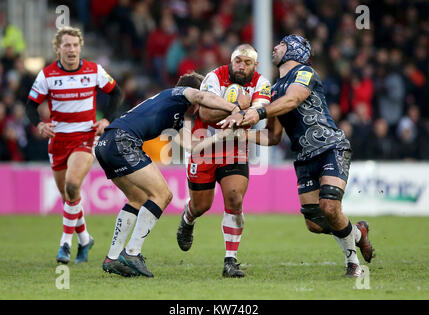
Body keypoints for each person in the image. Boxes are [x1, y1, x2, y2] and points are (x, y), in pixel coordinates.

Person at [222, 35, 375, 277]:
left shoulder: (305, 72)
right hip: (304, 157)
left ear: (294, 49)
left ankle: (353, 264)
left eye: (281, 44)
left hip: (330, 147)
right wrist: (242, 135)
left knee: (329, 206)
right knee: (314, 223)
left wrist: (257, 111)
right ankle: (358, 234)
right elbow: (273, 137)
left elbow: (294, 99)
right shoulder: (272, 90)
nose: (274, 47)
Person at [95, 72, 250, 277]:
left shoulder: (175, 116)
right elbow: (203, 97)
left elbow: (192, 147)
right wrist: (236, 109)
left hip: (106, 143)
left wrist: (221, 136)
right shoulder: (179, 93)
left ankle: (113, 258)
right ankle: (132, 252)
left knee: (138, 198)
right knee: (163, 195)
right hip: (123, 141)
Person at [25, 26, 123, 264]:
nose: (71, 49)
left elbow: (116, 93)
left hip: (86, 137)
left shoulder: (94, 71)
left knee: (71, 185)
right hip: (58, 141)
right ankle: (86, 239)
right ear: (58, 49)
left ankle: (65, 245)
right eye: (66, 45)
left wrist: (106, 119)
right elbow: (30, 105)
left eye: (75, 45)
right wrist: (39, 124)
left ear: (80, 47)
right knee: (70, 195)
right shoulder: (47, 75)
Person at [176, 44, 271, 278]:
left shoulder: (262, 83)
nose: (242, 66)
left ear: (255, 66)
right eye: (238, 61)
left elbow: (258, 112)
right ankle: (187, 219)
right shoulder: (214, 77)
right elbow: (206, 114)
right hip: (204, 147)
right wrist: (239, 107)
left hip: (234, 148)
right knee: (201, 206)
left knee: (234, 199)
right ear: (231, 60)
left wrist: (244, 111)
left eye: (247, 63)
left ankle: (231, 260)